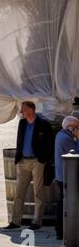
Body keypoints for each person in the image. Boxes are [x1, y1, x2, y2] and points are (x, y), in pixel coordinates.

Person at [11, 101, 56, 231]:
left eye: (23, 110)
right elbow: (19, 141)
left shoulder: (43, 125)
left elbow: (50, 144)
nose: (21, 112)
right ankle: (15, 221)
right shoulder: (22, 123)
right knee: (19, 193)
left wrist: (44, 160)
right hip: (23, 162)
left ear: (31, 110)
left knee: (38, 193)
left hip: (37, 162)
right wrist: (18, 159)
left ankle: (37, 221)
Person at [53, 115, 79, 235]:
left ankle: (60, 229)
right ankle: (61, 230)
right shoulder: (66, 139)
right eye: (77, 127)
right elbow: (76, 154)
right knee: (64, 204)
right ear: (70, 128)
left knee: (62, 202)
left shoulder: (61, 134)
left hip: (62, 175)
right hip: (65, 176)